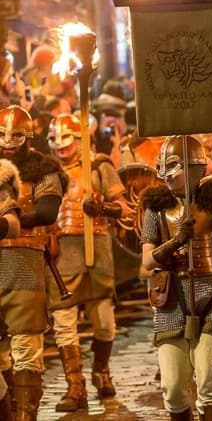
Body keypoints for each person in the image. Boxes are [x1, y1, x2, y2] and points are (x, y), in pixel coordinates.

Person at [140, 136, 212, 420]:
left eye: (174, 165)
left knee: (211, 384)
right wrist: (176, 242)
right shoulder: (156, 209)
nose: (167, 173)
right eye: (163, 166)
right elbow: (147, 261)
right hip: (171, 301)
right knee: (173, 387)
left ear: (194, 167)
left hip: (209, 296)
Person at [47, 113, 128, 411]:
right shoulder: (45, 171)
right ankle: (75, 385)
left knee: (105, 322)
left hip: (96, 248)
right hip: (60, 254)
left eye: (66, 140)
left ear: (79, 138)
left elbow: (125, 209)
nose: (60, 146)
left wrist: (103, 207)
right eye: (54, 140)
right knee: (63, 321)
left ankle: (100, 371)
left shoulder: (98, 166)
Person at [0, 105, 65, 420]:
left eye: (16, 135)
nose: (9, 140)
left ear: (28, 136)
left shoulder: (43, 170)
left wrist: (9, 218)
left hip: (24, 264)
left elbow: (47, 213)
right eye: (2, 134)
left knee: (26, 350)